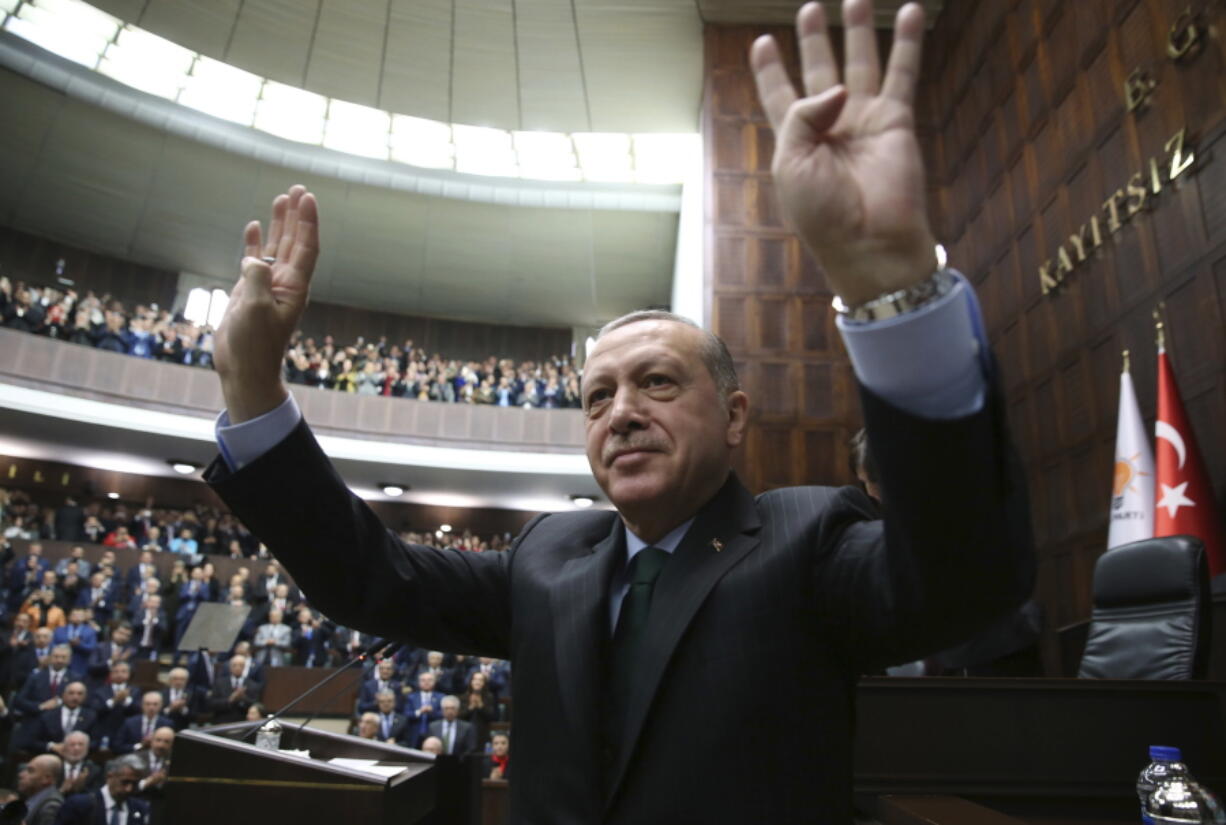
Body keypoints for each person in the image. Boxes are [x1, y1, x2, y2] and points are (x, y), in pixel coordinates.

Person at [203, 1, 1033, 821]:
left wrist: (892, 289)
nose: (622, 412)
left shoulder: (808, 541)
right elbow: (368, 578)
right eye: (598, 396)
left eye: (659, 383)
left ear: (735, 414)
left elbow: (965, 579)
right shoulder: (549, 556)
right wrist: (255, 392)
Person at [54, 754, 151, 825]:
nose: (129, 789)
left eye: (135, 784)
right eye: (125, 782)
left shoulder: (140, 809)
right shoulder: (80, 805)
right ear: (110, 776)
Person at [17, 753, 63, 825]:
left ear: (47, 778)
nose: (21, 775)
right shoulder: (34, 795)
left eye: (30, 771)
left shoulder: (51, 805)